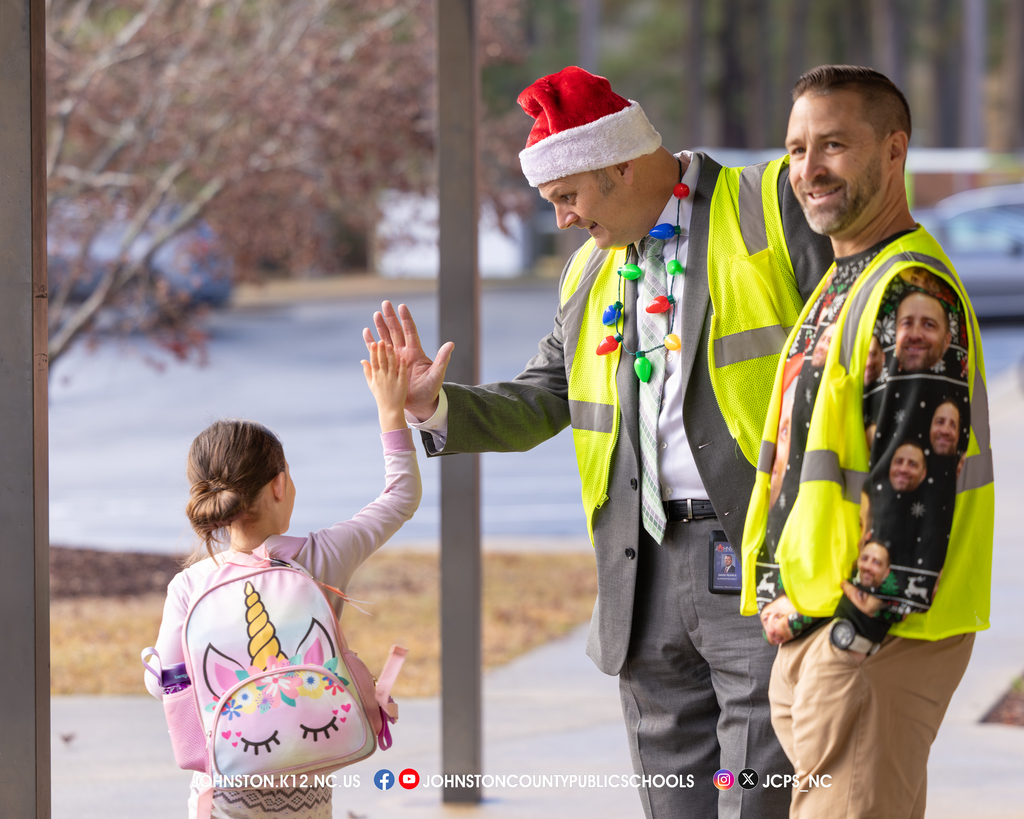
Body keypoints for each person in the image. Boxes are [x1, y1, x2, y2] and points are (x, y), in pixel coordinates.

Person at [365, 66, 832, 819]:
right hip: (641, 570)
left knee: (760, 800)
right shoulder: (590, 270)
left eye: (566, 198)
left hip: (755, 557)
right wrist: (435, 404)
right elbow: (548, 394)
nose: (562, 221)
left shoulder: (767, 206)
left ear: (621, 163)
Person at [741, 65, 993, 819]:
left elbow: (914, 475)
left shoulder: (906, 289)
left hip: (872, 639)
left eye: (833, 146)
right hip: (825, 630)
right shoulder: (847, 278)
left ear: (893, 151)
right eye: (795, 150)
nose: (807, 170)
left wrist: (855, 633)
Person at [144, 341, 421, 819]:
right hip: (309, 784)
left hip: (224, 792)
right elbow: (401, 495)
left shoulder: (189, 586)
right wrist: (390, 409)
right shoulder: (322, 556)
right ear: (279, 484)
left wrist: (151, 662)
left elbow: (165, 684)